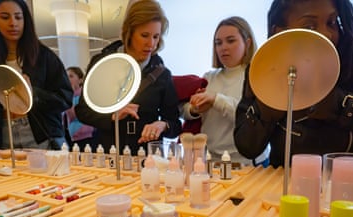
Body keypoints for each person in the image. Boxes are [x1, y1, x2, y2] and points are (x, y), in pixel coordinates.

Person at [234, 0, 353, 172]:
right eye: (309, 26)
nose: (327, 34)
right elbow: (246, 146)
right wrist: (267, 107)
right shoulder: (262, 67)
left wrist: (340, 105)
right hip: (287, 182)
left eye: (331, 22)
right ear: (279, 30)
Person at [75, 0, 181, 155]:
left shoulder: (162, 74)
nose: (151, 44)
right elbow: (83, 111)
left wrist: (162, 125)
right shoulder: (102, 63)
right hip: (107, 152)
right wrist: (112, 116)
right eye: (144, 35)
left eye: (156, 36)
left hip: (147, 157)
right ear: (129, 32)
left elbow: (175, 124)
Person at [0, 0, 73, 150]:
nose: (13, 23)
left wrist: (33, 94)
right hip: (4, 138)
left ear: (25, 19)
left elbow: (65, 98)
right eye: (5, 17)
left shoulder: (44, 56)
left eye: (18, 17)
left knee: (51, 173)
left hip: (43, 137)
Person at [180, 16, 269, 166]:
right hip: (211, 160)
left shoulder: (257, 76)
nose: (223, 47)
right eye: (218, 43)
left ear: (247, 43)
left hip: (248, 163)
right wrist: (195, 110)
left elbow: (252, 120)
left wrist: (216, 99)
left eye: (230, 40)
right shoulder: (209, 77)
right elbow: (184, 111)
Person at [63, 66, 97, 151]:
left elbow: (73, 115)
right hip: (73, 137)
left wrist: (68, 95)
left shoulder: (83, 95)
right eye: (66, 76)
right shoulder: (71, 95)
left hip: (85, 136)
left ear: (81, 80)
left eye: (71, 76)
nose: (67, 79)